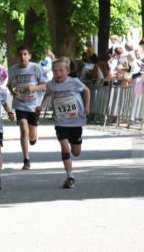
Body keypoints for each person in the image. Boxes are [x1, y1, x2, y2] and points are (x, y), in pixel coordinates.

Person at [38, 57, 91, 189]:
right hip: (61, 121)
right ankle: (70, 175)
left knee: (76, 152)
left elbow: (86, 91)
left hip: (76, 121)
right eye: (55, 71)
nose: (58, 74)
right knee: (64, 147)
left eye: (61, 70)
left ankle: (76, 142)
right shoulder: (51, 85)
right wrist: (42, 106)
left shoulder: (74, 82)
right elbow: (47, 95)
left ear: (67, 71)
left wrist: (87, 106)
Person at [8, 44, 48, 170]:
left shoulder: (36, 68)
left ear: (29, 56)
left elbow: (45, 85)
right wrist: (13, 92)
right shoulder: (13, 69)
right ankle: (26, 159)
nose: (22, 57)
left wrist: (34, 88)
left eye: (25, 54)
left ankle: (33, 138)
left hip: (34, 104)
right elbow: (9, 85)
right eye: (20, 54)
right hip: (20, 103)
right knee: (23, 130)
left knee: (32, 135)